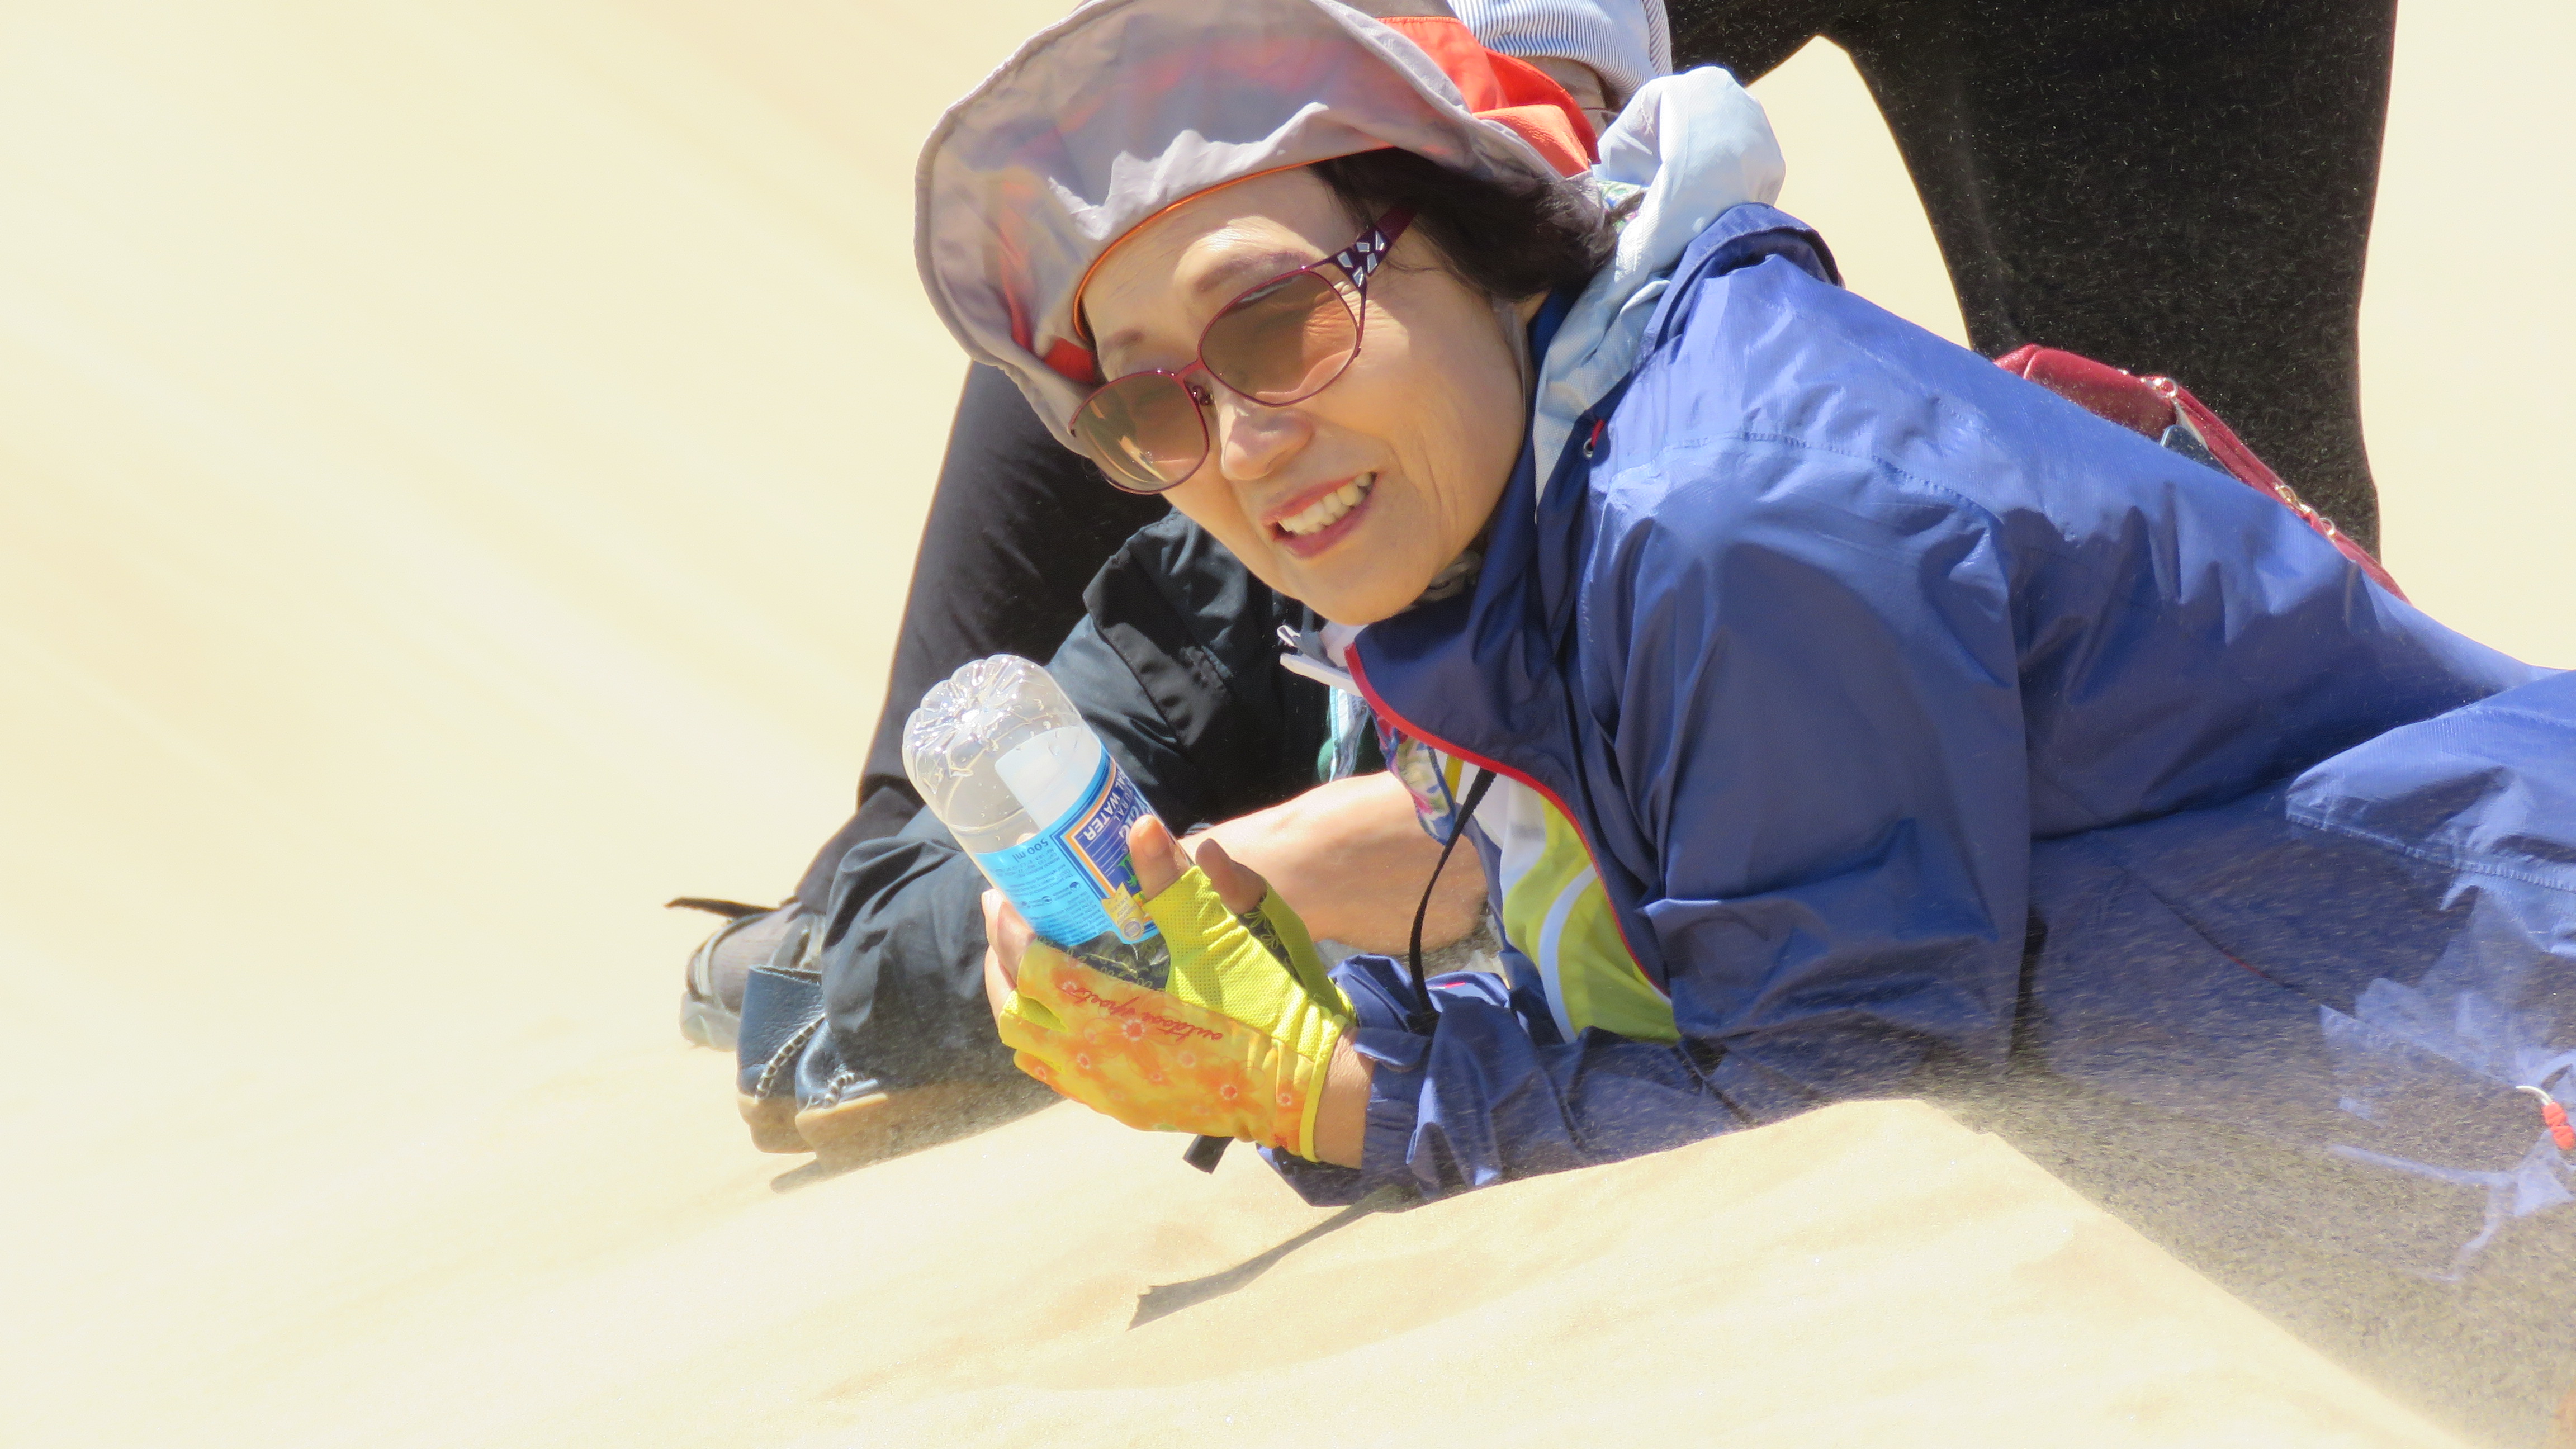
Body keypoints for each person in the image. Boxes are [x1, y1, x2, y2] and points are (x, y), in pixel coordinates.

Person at [918, 0, 2576, 1436]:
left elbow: (1848, 1116)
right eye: (1149, 411)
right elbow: (1677, 904)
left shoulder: (1723, 520)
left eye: (1280, 320)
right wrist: (1273, 947)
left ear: (1480, 233)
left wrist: (1328, 1088)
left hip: (2518, 1128)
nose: (1238, 443)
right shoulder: (1543, 502)